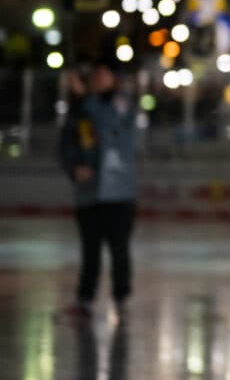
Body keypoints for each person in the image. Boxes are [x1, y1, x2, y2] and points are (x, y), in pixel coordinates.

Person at [58, 60, 138, 324]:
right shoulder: (80, 111)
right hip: (89, 194)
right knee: (90, 252)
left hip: (119, 194)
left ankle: (122, 300)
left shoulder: (121, 104)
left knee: (119, 251)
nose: (100, 80)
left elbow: (107, 127)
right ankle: (84, 299)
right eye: (96, 75)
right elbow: (66, 145)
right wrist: (75, 168)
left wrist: (84, 98)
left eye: (105, 75)